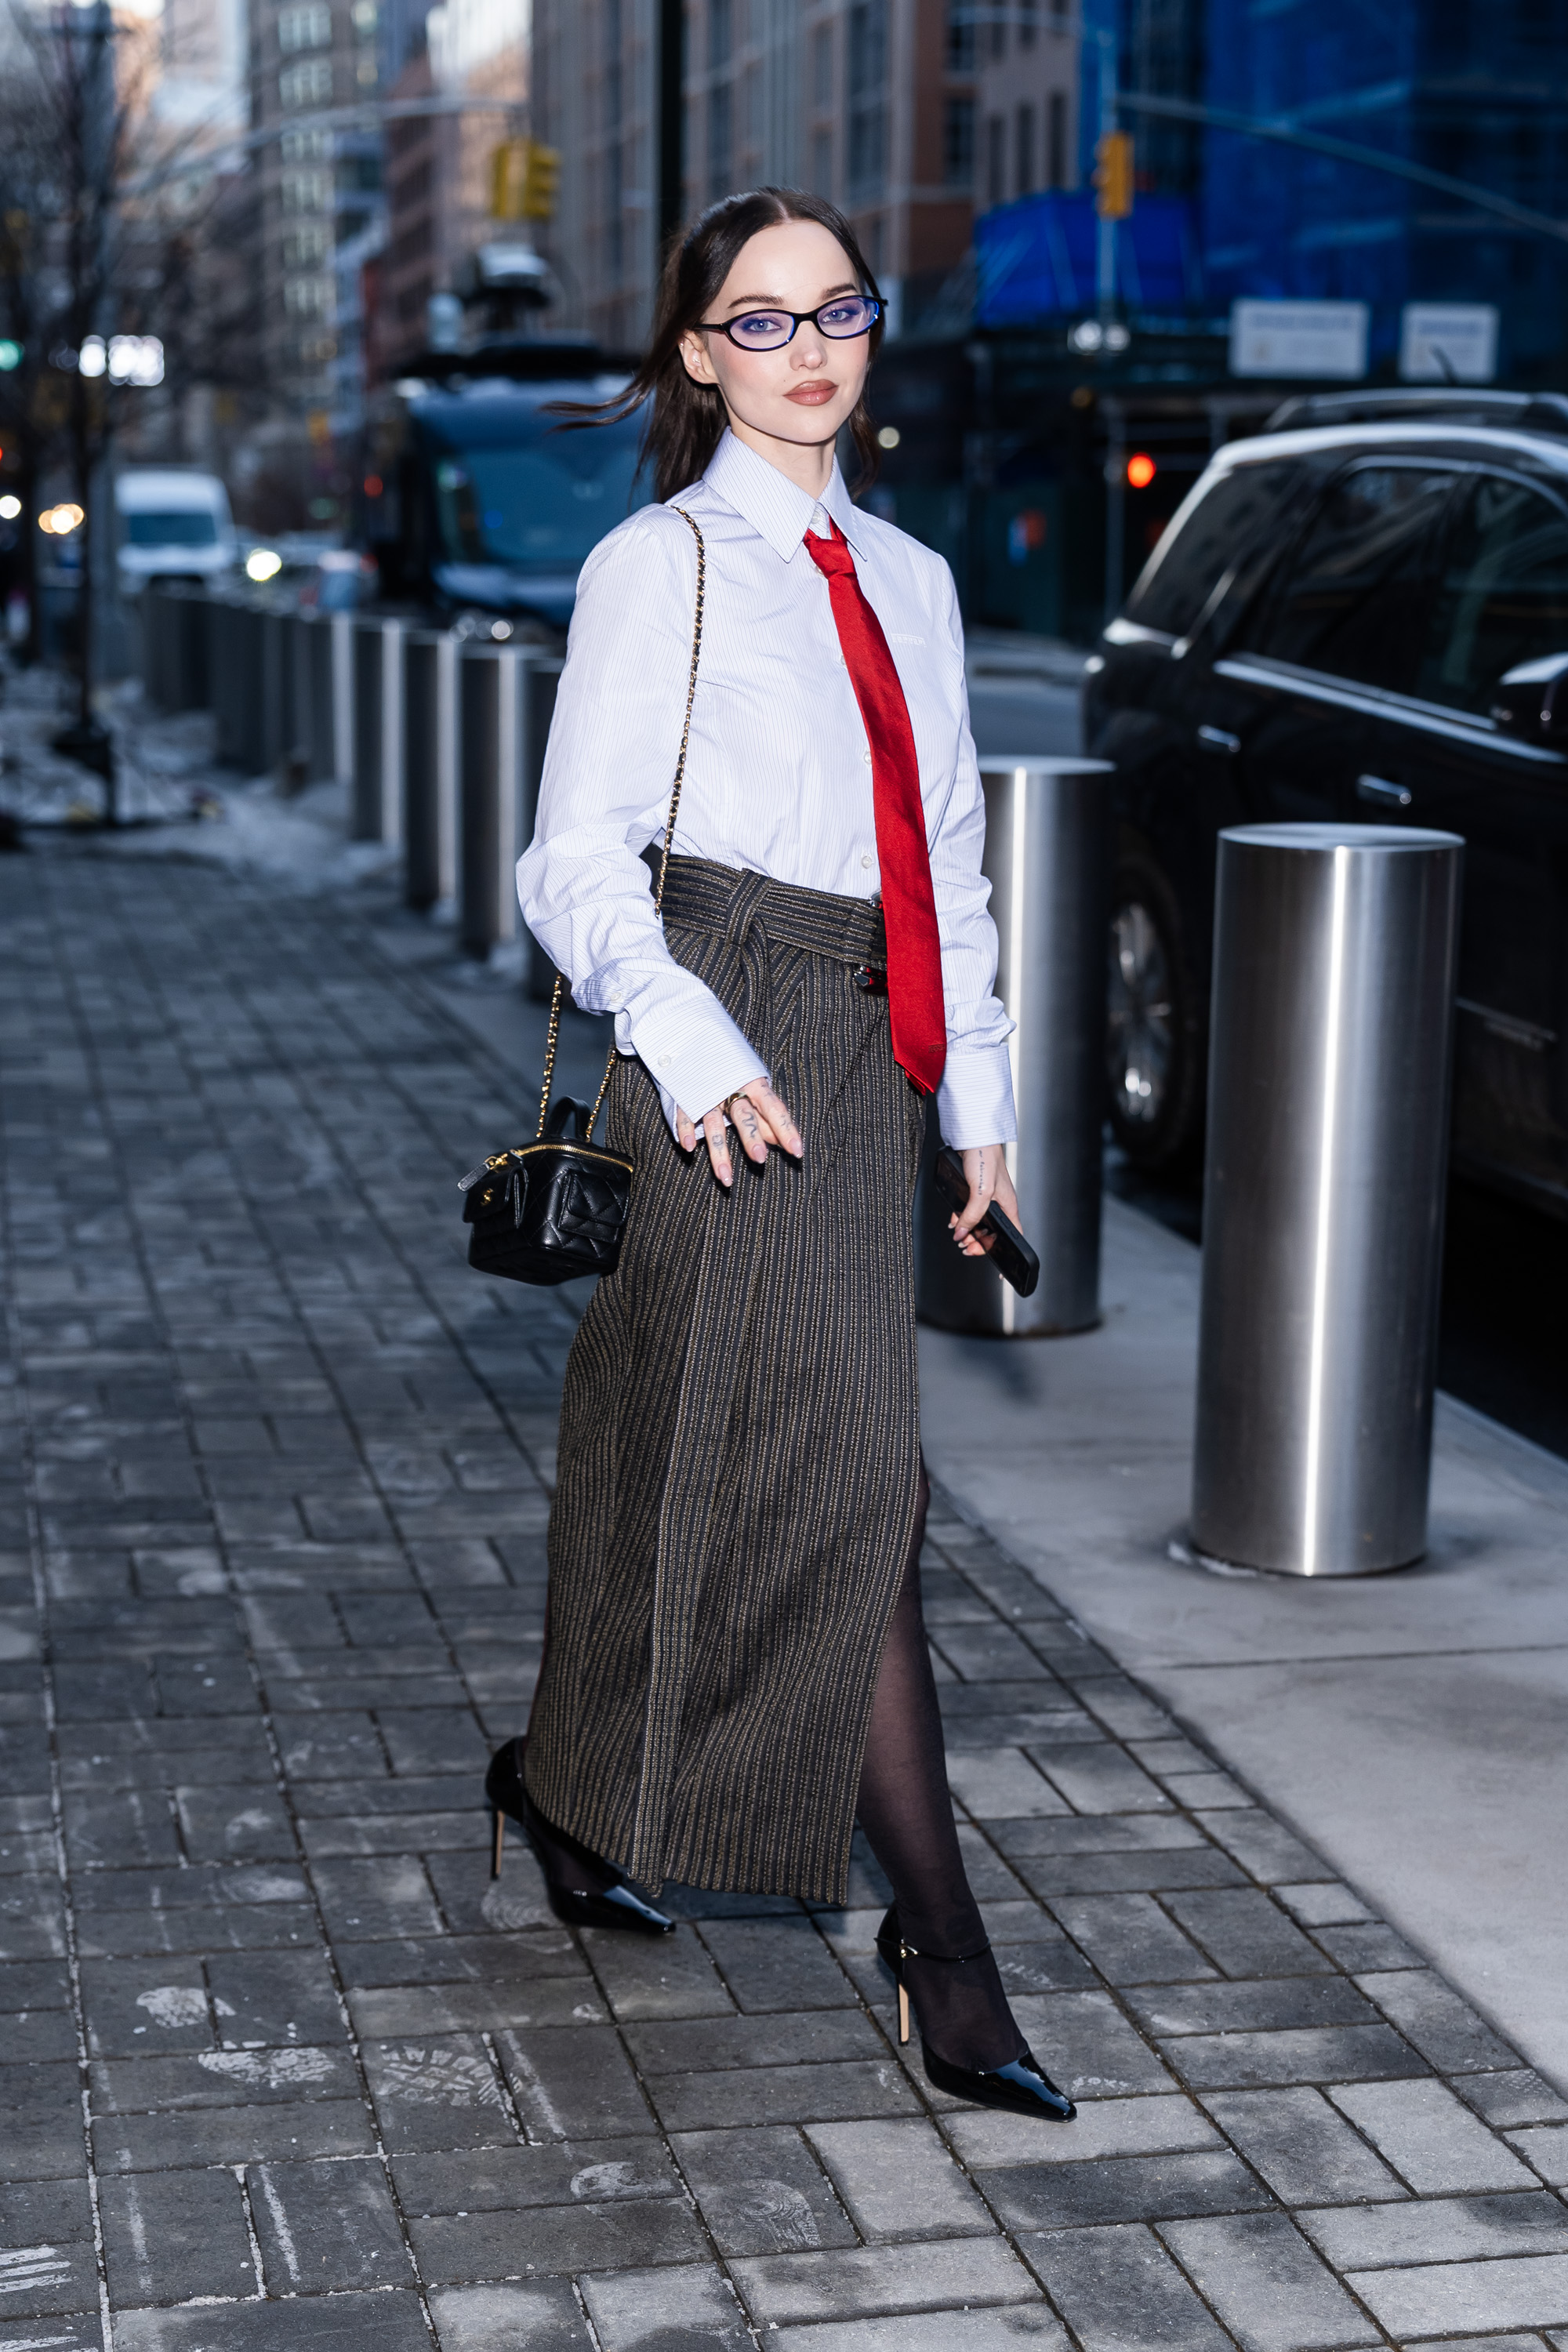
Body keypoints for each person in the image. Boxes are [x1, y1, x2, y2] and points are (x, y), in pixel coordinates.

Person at [492, 185, 1075, 2123]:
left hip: (865, 1036)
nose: (808, 348)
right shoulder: (661, 567)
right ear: (696, 355)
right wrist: (687, 1036)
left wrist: (977, 1113)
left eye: (837, 311)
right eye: (760, 320)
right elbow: (569, 856)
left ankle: (567, 1791)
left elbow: (954, 871)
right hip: (721, 1029)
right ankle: (944, 1946)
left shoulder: (907, 574)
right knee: (850, 1494)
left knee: (689, 1441)